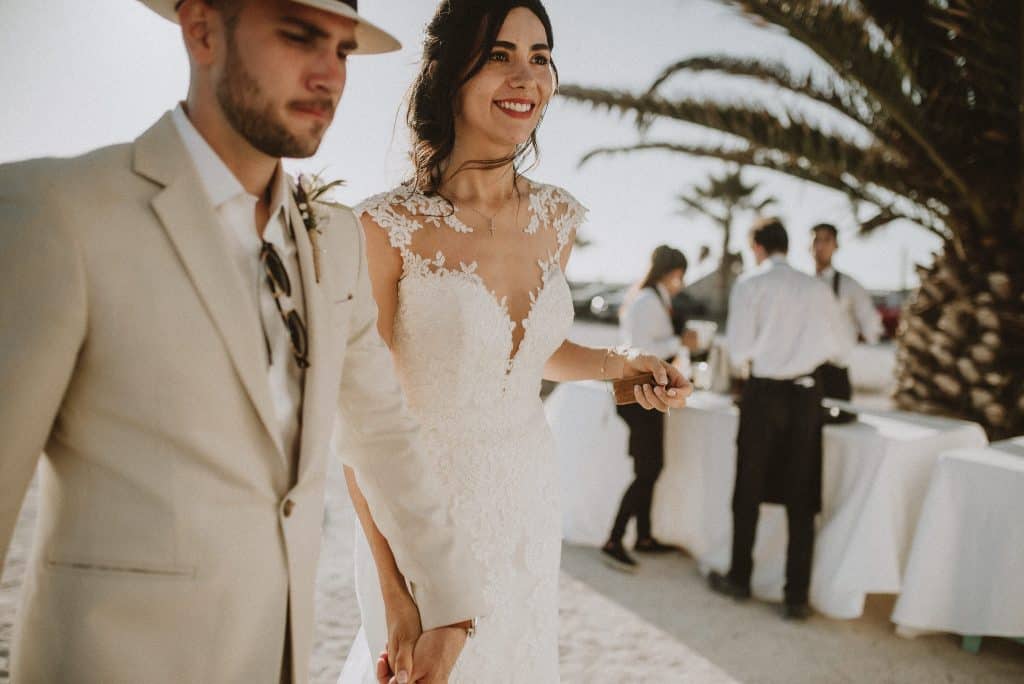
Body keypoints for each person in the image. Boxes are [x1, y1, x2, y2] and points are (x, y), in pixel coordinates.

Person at [0, 1, 486, 682]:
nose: (329, 76)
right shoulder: (56, 212)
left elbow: (384, 433)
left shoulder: (334, 241)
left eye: (342, 50)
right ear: (202, 29)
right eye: (299, 37)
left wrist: (448, 607)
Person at [337, 2, 693, 682]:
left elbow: (525, 353)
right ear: (451, 72)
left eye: (540, 58)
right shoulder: (384, 227)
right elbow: (357, 419)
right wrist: (394, 589)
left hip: (526, 497)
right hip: (423, 511)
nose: (525, 77)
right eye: (499, 55)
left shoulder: (557, 218)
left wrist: (622, 364)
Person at [708, 218, 850, 620]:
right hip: (806, 396)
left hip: (764, 393)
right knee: (802, 496)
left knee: (748, 487)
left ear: (757, 246)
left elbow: (739, 351)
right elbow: (841, 349)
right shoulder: (817, 288)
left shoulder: (751, 284)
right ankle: (795, 597)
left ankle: (739, 578)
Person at [602, 245, 698, 571]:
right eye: (680, 276)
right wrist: (680, 342)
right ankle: (614, 539)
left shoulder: (651, 299)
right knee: (649, 470)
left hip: (646, 392)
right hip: (639, 392)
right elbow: (642, 350)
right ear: (673, 273)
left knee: (649, 467)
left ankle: (643, 536)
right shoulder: (647, 302)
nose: (681, 283)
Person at [810, 223, 883, 413]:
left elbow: (871, 325)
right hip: (805, 372)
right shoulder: (802, 284)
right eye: (816, 240)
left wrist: (851, 343)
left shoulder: (850, 286)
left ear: (836, 245)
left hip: (835, 373)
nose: (820, 246)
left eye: (826, 240)